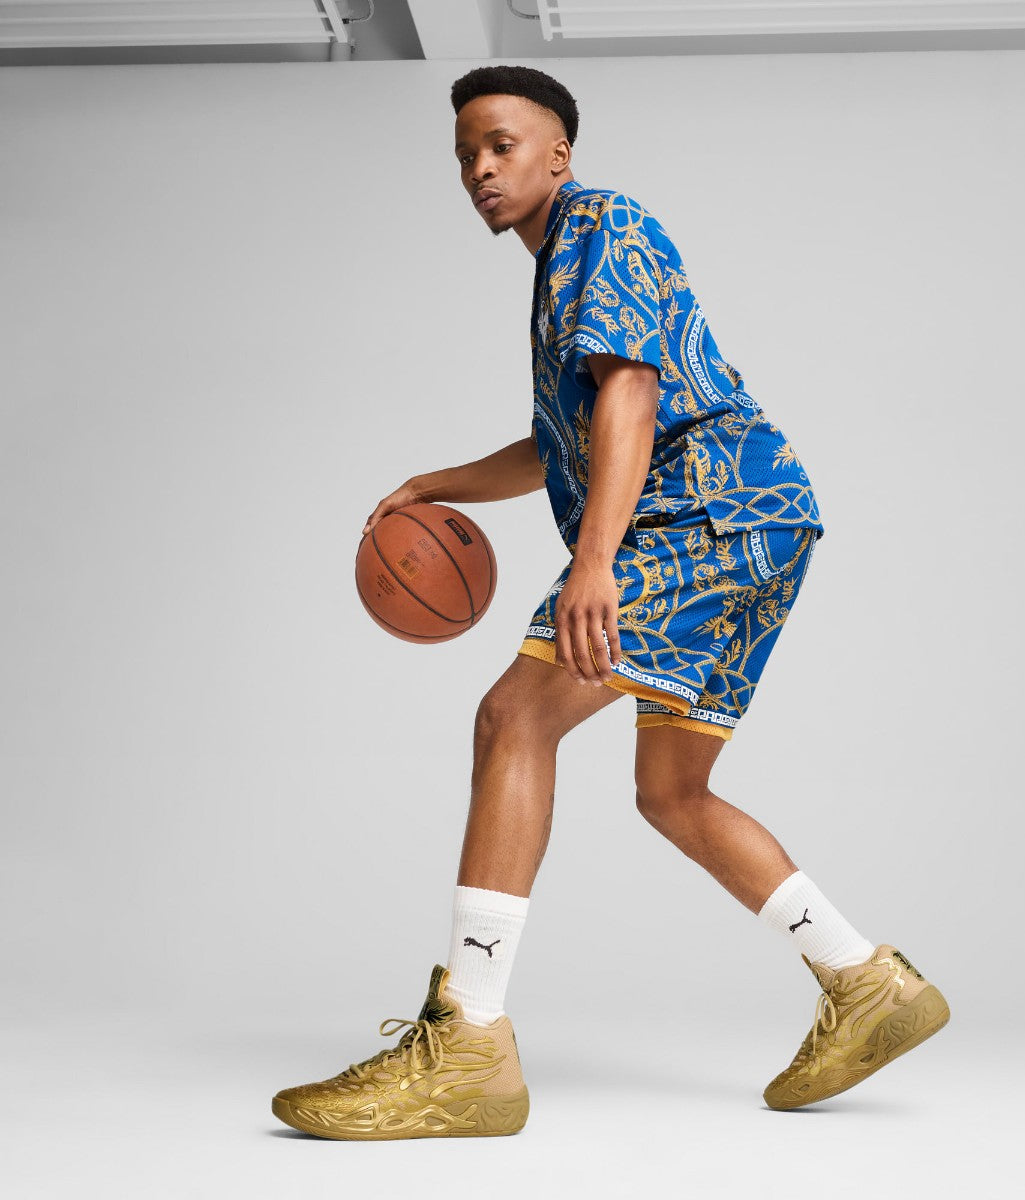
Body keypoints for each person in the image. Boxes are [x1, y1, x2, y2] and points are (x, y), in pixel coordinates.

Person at [271, 64, 949, 1142]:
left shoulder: (600, 224)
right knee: (671, 790)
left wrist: (596, 563)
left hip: (703, 514)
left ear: (560, 154)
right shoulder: (562, 271)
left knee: (512, 718)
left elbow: (631, 390)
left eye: (500, 145)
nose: (480, 168)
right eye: (464, 155)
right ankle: (866, 981)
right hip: (762, 520)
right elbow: (564, 441)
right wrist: (435, 484)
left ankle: (469, 1046)